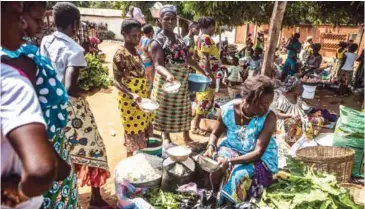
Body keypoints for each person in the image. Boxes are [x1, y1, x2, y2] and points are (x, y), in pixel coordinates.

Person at [2, 2, 81, 208]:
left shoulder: (28, 52)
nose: (39, 26)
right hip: (32, 154)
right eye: (35, 19)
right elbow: (40, 170)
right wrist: (56, 164)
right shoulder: (17, 65)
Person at [40, 2, 111, 208]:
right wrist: (90, 91)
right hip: (73, 109)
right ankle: (96, 199)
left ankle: (68, 192)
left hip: (51, 107)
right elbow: (69, 87)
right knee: (96, 149)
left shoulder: (46, 40)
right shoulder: (74, 49)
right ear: (76, 24)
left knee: (65, 150)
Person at [203, 75, 278, 205]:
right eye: (264, 104)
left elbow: (258, 152)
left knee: (239, 175)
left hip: (259, 157)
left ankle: (231, 203)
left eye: (269, 104)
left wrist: (230, 161)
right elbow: (215, 134)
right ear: (250, 100)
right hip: (232, 148)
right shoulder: (227, 110)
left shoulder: (269, 117)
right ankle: (214, 194)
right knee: (217, 167)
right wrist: (211, 147)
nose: (267, 108)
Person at [150, 5, 206, 142]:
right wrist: (168, 75)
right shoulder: (157, 42)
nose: (170, 22)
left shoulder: (179, 38)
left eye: (173, 19)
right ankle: (167, 138)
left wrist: (202, 71)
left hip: (181, 80)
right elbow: (158, 65)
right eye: (167, 19)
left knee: (184, 109)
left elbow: (188, 59)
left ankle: (186, 137)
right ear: (160, 20)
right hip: (167, 82)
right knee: (166, 110)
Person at [113, 19, 154, 157]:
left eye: (139, 35)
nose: (137, 38)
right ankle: (129, 165)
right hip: (129, 100)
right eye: (133, 36)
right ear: (124, 34)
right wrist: (132, 94)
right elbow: (116, 80)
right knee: (132, 131)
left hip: (141, 98)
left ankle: (140, 158)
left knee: (143, 127)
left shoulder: (136, 50)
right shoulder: (120, 54)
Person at [273, 76, 324, 146]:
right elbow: (278, 114)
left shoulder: (297, 98)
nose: (302, 88)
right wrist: (291, 115)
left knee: (320, 119)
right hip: (287, 122)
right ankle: (291, 140)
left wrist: (313, 115)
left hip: (301, 120)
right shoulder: (283, 99)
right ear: (295, 88)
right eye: (300, 86)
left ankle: (307, 137)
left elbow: (302, 111)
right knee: (294, 123)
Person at [192, 17, 221, 136]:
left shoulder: (199, 38)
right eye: (213, 27)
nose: (214, 29)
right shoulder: (206, 38)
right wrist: (210, 76)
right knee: (203, 100)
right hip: (207, 75)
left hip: (203, 73)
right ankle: (195, 126)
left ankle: (198, 123)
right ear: (210, 26)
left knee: (201, 99)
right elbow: (204, 58)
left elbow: (195, 56)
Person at [139, 24, 154, 94]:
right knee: (150, 76)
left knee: (146, 75)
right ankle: (149, 90)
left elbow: (138, 48)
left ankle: (145, 88)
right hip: (148, 61)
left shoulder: (142, 38)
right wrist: (154, 61)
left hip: (141, 59)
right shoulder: (150, 41)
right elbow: (150, 52)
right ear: (151, 32)